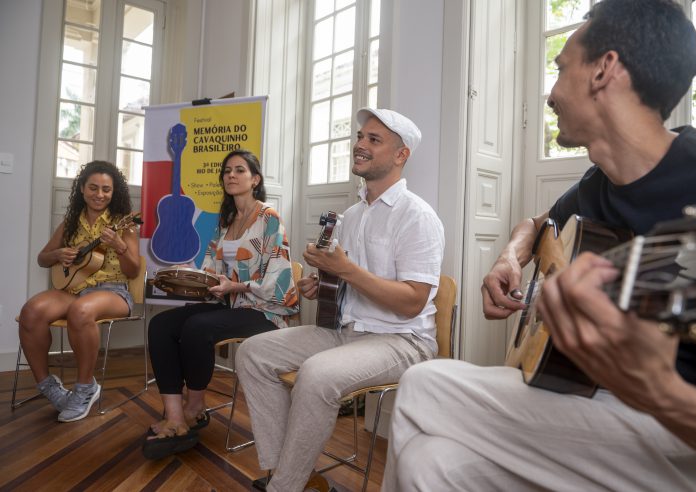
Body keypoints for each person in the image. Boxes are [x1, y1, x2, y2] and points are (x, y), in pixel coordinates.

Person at [382, 0, 696, 490]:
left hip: (693, 439)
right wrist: (511, 255)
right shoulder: (595, 185)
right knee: (430, 463)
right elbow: (537, 223)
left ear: (604, 70)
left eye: (560, 69)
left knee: (423, 384)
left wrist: (658, 388)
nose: (551, 95)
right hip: (591, 400)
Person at [235, 108, 445, 491]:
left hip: (403, 341)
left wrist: (345, 270)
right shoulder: (351, 215)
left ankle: (285, 484)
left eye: (374, 140)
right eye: (361, 137)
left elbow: (413, 302)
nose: (360, 145)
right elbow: (350, 277)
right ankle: (293, 474)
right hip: (347, 332)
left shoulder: (418, 217)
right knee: (253, 353)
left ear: (401, 155)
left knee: (316, 374)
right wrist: (324, 282)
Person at [142, 149, 299, 460]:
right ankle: (174, 416)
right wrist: (192, 277)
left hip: (264, 310)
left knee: (198, 327)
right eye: (227, 170)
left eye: (240, 170)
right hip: (230, 304)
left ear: (255, 180)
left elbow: (279, 281)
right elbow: (213, 269)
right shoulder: (225, 220)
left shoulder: (269, 218)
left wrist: (237, 285)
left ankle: (196, 405)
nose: (231, 175)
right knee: (161, 324)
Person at [18, 160, 140, 423]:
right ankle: (49, 387)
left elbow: (132, 270)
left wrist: (120, 246)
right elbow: (42, 259)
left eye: (106, 189)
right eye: (93, 188)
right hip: (74, 289)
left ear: (114, 192)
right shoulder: (71, 222)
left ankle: (85, 388)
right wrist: (57, 254)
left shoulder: (124, 224)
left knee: (80, 310)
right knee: (31, 312)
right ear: (82, 189)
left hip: (114, 292)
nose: (99, 194)